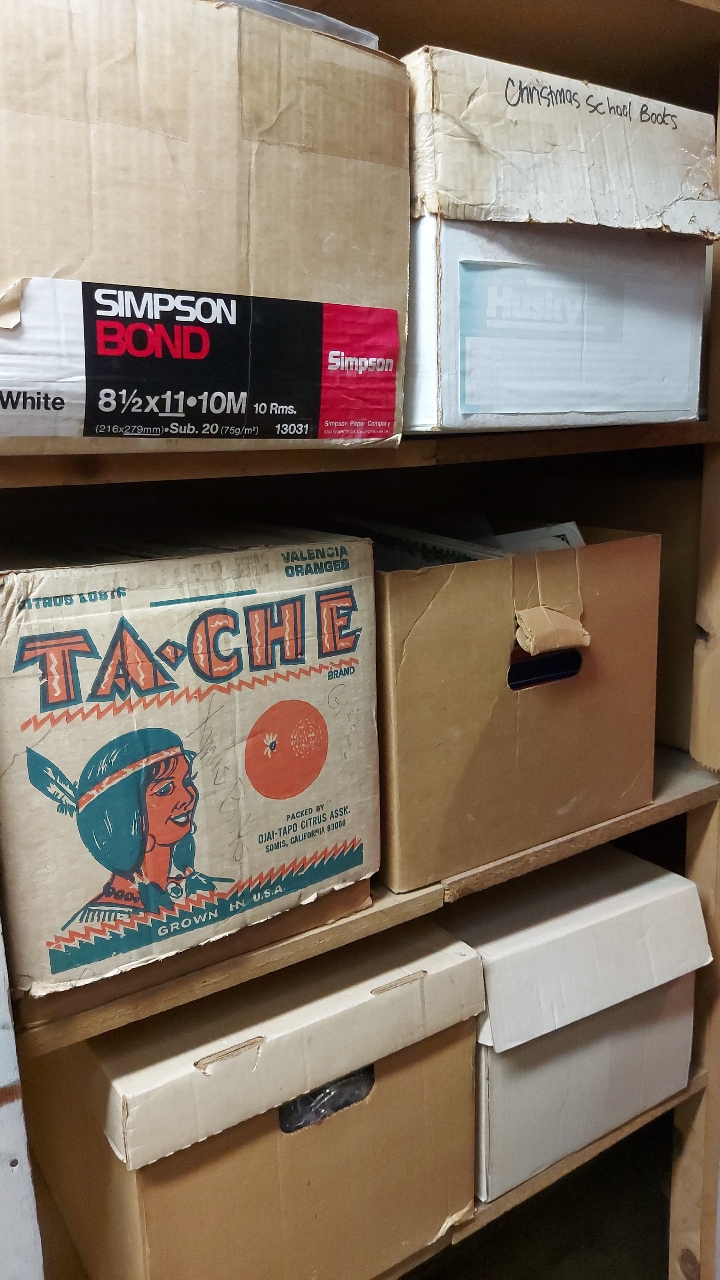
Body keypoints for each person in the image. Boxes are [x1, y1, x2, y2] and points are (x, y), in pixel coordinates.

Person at [26, 727, 228, 930]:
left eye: (187, 780)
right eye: (165, 789)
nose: (188, 796)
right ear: (124, 814)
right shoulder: (94, 925)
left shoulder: (208, 889)